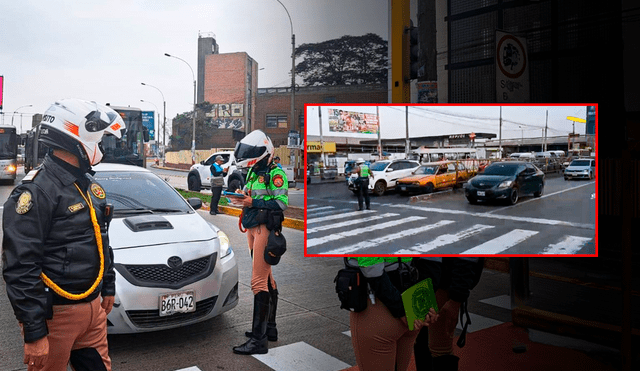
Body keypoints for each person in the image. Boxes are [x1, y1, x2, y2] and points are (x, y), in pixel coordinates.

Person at [2, 98, 125, 371]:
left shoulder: (87, 184)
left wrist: (108, 285)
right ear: (72, 138)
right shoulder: (35, 192)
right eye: (98, 138)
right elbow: (20, 266)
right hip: (55, 315)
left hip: (93, 308)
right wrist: (34, 332)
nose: (102, 145)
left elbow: (101, 240)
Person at [228, 130, 288, 355]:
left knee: (258, 282)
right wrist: (239, 196)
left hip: (265, 228)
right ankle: (269, 329)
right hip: (252, 227)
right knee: (267, 277)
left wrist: (253, 200)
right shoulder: (254, 170)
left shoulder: (275, 172)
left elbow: (281, 202)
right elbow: (248, 193)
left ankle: (258, 340)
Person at [349, 257, 438, 371]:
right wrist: (424, 302)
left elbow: (371, 266)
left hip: (377, 306)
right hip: (411, 299)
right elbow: (433, 259)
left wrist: (401, 310)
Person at [413, 257, 485, 371]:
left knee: (439, 349)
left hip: (443, 282)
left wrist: (456, 297)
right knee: (420, 340)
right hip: (425, 280)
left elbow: (468, 255)